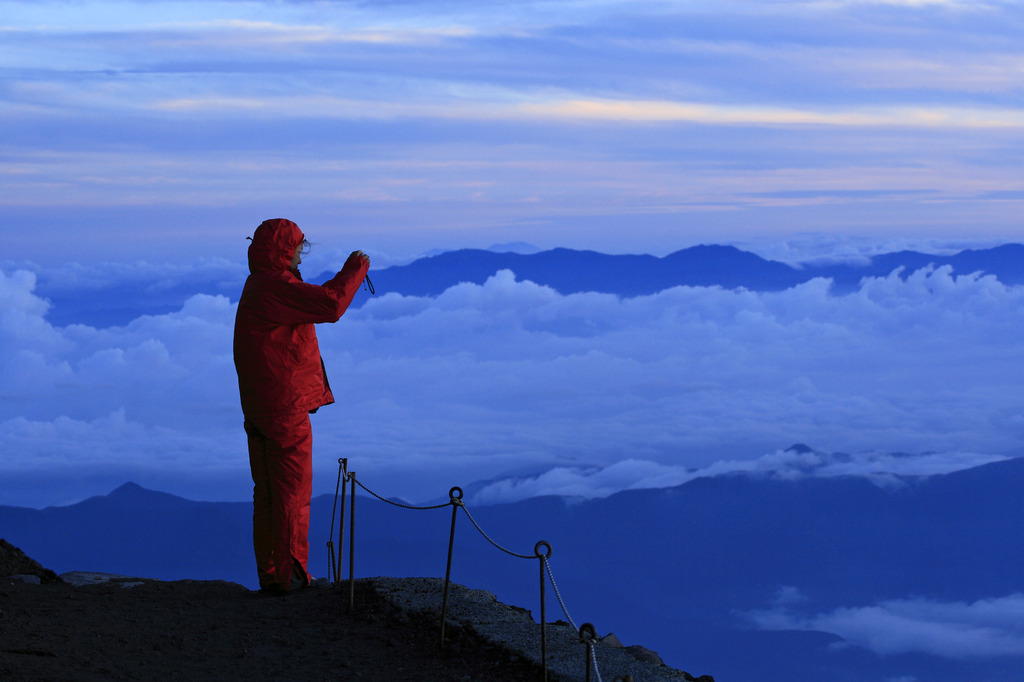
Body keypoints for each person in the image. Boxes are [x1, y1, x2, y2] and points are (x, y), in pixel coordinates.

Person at [233, 218, 370, 593]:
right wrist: (356, 268)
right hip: (284, 410)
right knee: (292, 493)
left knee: (267, 495)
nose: (298, 255)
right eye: (296, 248)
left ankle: (273, 575)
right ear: (284, 250)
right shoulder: (276, 287)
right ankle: (292, 576)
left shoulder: (258, 286)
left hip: (259, 408)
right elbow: (331, 304)